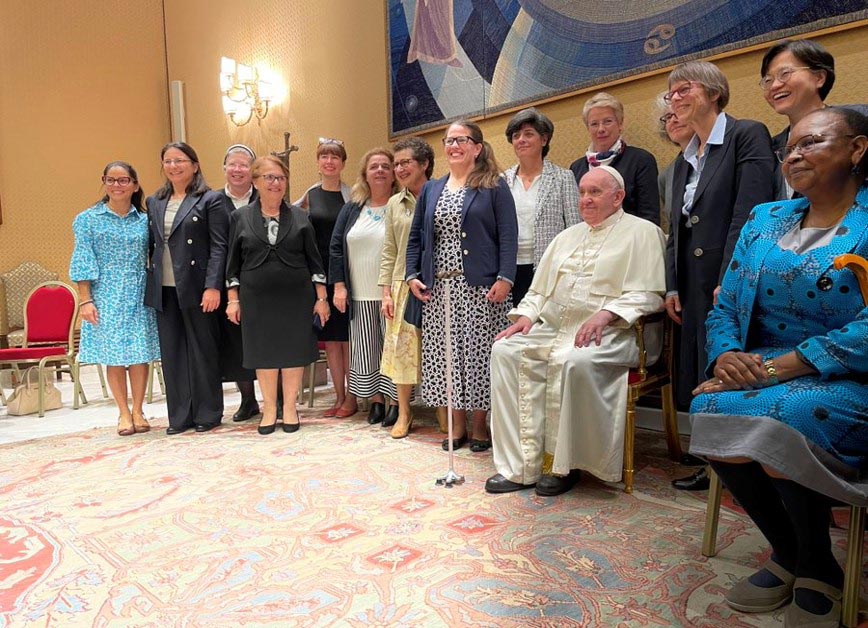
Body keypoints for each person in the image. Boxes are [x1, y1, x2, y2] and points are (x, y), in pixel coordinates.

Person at [688, 107, 868, 627]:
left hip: (848, 375)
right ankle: (795, 553)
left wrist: (787, 367)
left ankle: (813, 564)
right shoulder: (766, 218)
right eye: (789, 147)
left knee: (781, 415)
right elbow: (725, 305)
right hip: (760, 367)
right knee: (709, 403)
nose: (795, 154)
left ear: (856, 150)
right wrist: (725, 356)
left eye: (812, 143)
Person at [485, 167, 666, 496]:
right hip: (554, 328)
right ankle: (521, 465)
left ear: (618, 197)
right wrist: (525, 316)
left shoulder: (643, 233)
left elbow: (650, 295)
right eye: (582, 192)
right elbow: (538, 293)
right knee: (506, 351)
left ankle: (565, 465)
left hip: (615, 333)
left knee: (573, 361)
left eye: (595, 192)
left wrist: (607, 314)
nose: (585, 200)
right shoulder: (565, 237)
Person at [663, 61, 776, 414]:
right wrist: (671, 286)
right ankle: (705, 463)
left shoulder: (746, 134)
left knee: (731, 369)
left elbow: (751, 214)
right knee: (698, 370)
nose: (675, 98)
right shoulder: (682, 160)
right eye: (672, 93)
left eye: (685, 89)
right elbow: (675, 230)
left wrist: (731, 275)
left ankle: (729, 466)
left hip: (728, 275)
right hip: (691, 283)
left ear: (714, 93)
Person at [406, 120, 518, 451]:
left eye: (461, 140)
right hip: (439, 290)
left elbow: (509, 235)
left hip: (481, 288)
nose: (454, 146)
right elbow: (416, 237)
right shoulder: (431, 188)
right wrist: (412, 275)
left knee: (479, 356)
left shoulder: (494, 185)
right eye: (449, 140)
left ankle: (480, 426)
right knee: (445, 358)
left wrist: (506, 277)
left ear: (477, 147)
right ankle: (456, 426)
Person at [226, 156, 329, 435]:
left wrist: (321, 298)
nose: (275, 183)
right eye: (269, 178)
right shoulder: (240, 217)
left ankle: (291, 407)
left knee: (293, 351)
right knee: (264, 352)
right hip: (255, 297)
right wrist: (232, 299)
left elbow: (315, 261)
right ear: (256, 182)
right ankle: (270, 407)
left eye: (280, 178)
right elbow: (231, 264)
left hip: (296, 296)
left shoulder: (300, 216)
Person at [70, 161, 160, 436]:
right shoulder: (87, 219)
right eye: (111, 180)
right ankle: (123, 411)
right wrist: (85, 300)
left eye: (123, 181)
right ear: (104, 182)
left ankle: (138, 410)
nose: (116, 185)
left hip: (138, 291)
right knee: (114, 355)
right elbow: (83, 259)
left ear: (134, 185)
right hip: (105, 293)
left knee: (139, 353)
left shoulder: (145, 220)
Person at [144, 142, 227, 435]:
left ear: (194, 165)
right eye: (168, 161)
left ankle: (208, 412)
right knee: (173, 353)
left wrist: (213, 287)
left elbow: (219, 247)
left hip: (197, 285)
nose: (173, 166)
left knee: (202, 350)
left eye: (180, 160)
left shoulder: (210, 199)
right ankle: (179, 416)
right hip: (164, 288)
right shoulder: (154, 201)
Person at [330, 149, 399, 425]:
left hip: (392, 293)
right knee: (366, 348)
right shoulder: (352, 207)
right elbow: (336, 247)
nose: (380, 170)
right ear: (365, 174)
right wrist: (339, 286)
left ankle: (396, 400)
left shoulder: (402, 204)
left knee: (391, 349)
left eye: (385, 166)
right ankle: (376, 400)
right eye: (374, 167)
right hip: (358, 293)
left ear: (393, 173)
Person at [379, 137, 433, 438]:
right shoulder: (393, 203)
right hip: (402, 283)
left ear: (424, 164)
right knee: (402, 351)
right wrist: (385, 291)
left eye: (405, 162)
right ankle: (404, 411)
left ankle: (443, 409)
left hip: (436, 282)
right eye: (396, 163)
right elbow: (389, 250)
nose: (399, 168)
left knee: (436, 348)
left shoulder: (442, 193)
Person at [295, 138, 354, 418]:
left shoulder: (352, 194)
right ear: (318, 162)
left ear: (343, 162)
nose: (329, 161)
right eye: (324, 157)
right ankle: (339, 396)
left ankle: (354, 395)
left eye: (335, 157)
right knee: (331, 339)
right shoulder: (309, 195)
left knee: (350, 338)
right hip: (320, 275)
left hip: (347, 273)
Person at [502, 107, 580, 304]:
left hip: (550, 269)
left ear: (544, 140)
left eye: (529, 134)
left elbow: (575, 228)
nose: (521, 140)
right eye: (516, 135)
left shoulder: (563, 177)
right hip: (509, 271)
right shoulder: (501, 181)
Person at [217, 144, 261, 423]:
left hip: (261, 278)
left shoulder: (265, 196)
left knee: (266, 339)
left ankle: (279, 399)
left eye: (244, 165)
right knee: (237, 343)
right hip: (226, 280)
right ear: (224, 169)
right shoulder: (211, 200)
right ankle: (248, 399)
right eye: (232, 164)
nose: (237, 170)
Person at [760, 39, 835, 200]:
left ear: (819, 78)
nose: (774, 86)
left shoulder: (854, 126)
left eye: (785, 74)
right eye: (768, 80)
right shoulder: (770, 148)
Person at [569, 92, 660, 225]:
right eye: (594, 124)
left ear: (620, 124)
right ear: (587, 128)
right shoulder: (576, 168)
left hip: (629, 240)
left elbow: (649, 216)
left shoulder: (641, 160)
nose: (601, 129)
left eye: (607, 122)